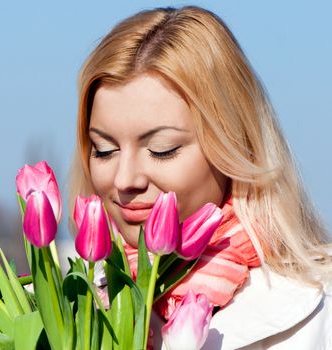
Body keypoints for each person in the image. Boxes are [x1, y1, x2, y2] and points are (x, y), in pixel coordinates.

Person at [68, 6, 332, 349]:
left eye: (162, 149)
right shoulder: (59, 311)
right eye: (104, 149)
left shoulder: (319, 313)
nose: (124, 179)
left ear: (235, 145)